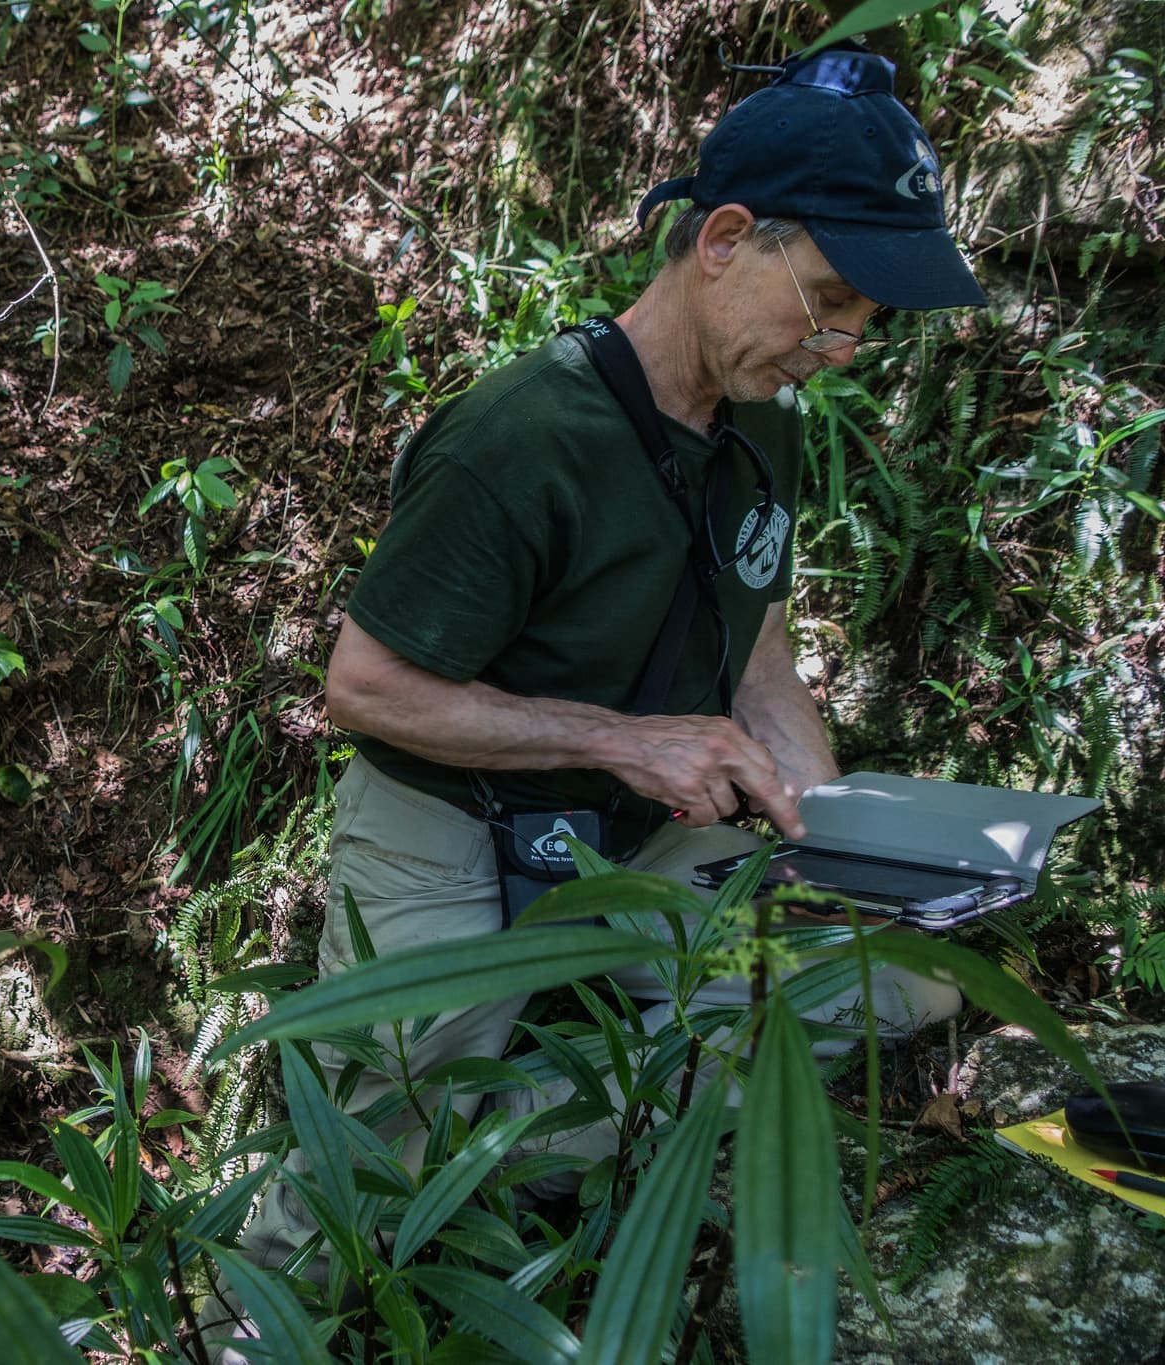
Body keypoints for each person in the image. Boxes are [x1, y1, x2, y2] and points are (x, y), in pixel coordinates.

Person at [235, 45, 977, 1278]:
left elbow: (755, 649)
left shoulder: (761, 428)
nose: (842, 343)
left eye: (864, 321)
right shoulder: (521, 437)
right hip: (449, 822)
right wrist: (621, 741)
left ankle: (512, 1168)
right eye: (831, 297)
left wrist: (829, 825)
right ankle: (252, 1326)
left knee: (888, 988)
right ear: (725, 238)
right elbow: (362, 690)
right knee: (362, 1158)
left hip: (634, 835)